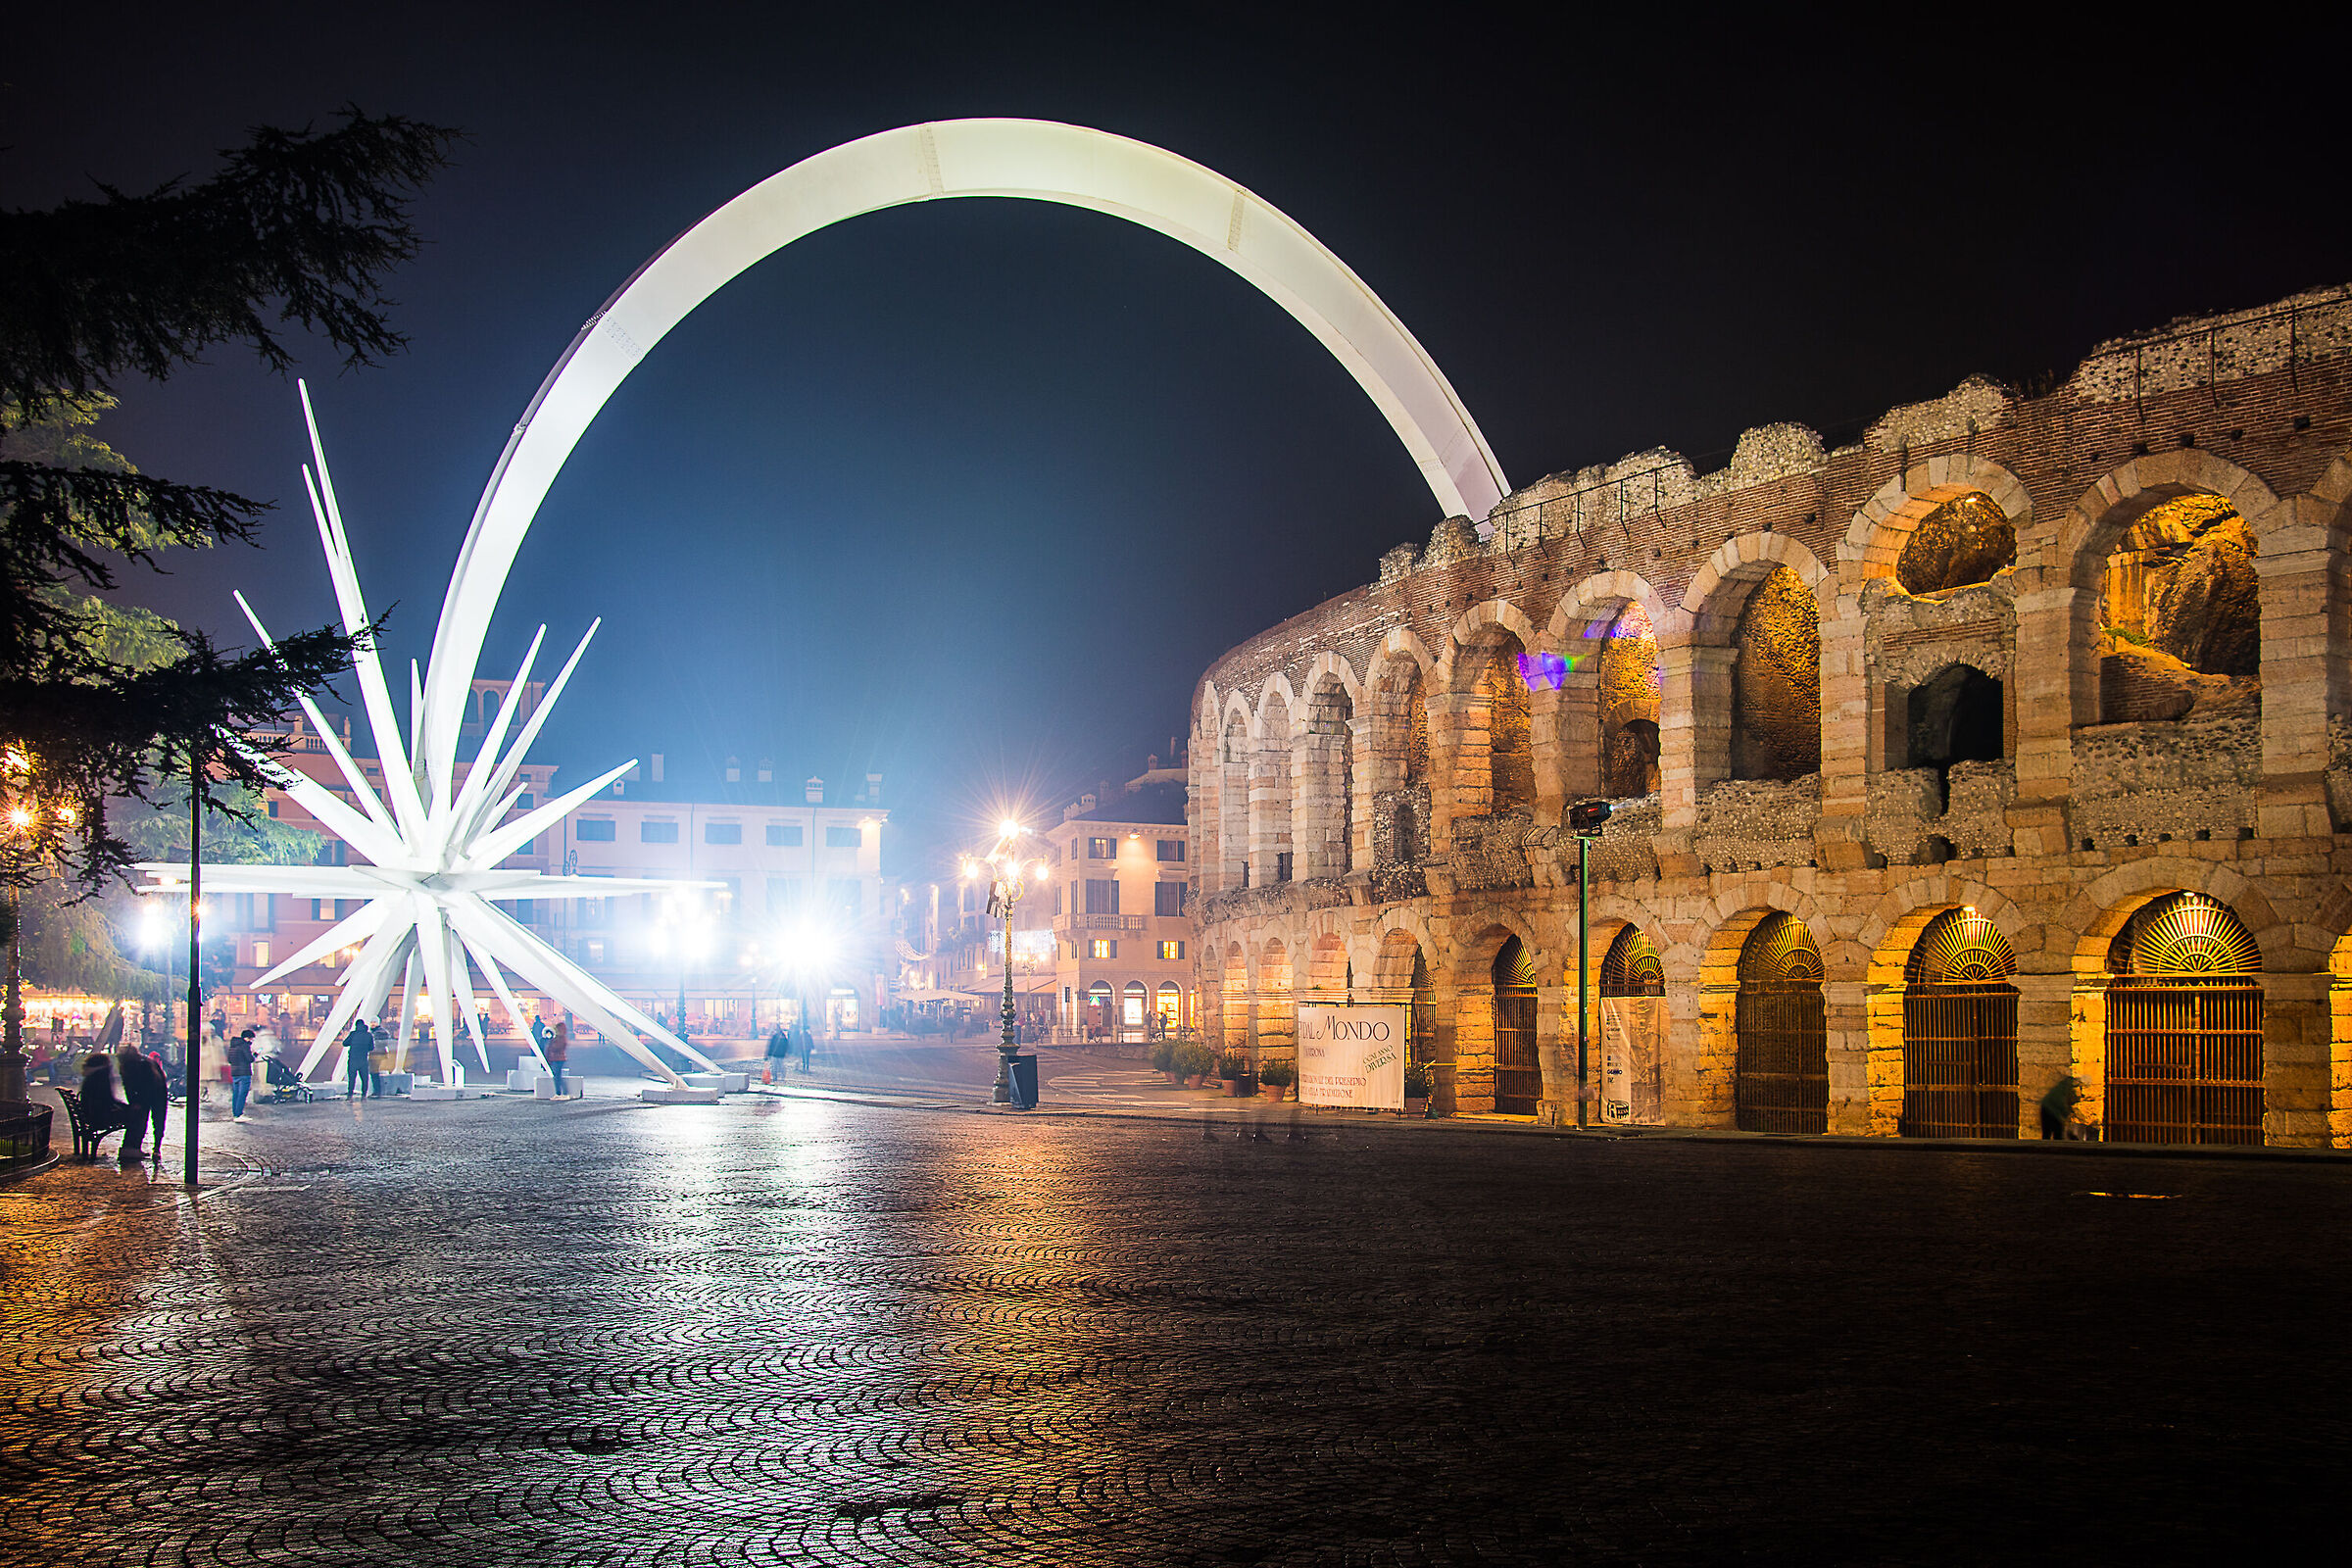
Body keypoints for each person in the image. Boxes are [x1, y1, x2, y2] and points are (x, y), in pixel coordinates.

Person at [118, 1043, 171, 1161]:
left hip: (151, 1095)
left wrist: (135, 1101)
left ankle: (136, 1147)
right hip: (158, 1094)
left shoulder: (134, 1065)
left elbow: (131, 1086)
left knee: (144, 1120)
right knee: (158, 1122)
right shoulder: (146, 1062)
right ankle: (156, 1148)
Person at [78, 1051, 135, 1161]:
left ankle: (130, 1148)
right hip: (98, 1118)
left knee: (131, 1112)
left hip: (91, 1115)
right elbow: (108, 1099)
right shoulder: (101, 1076)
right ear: (104, 1065)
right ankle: (130, 1147)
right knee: (136, 1115)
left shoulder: (91, 1076)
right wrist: (126, 1107)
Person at [225, 1029, 257, 1122]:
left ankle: (235, 1113)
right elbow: (249, 1059)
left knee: (236, 1093)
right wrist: (254, 1055)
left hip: (235, 1072)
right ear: (247, 1038)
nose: (251, 1041)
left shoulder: (233, 1046)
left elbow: (229, 1060)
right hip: (244, 1072)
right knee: (242, 1094)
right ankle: (239, 1115)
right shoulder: (244, 1046)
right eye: (251, 1039)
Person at [2038, 1074, 2082, 1140]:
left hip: (2046, 1109)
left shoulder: (2059, 1088)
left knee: (2047, 1132)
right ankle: (2056, 1146)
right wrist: (2065, 1113)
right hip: (2050, 1111)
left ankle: (2047, 1146)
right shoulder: (2062, 1091)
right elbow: (2060, 1103)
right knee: (2057, 1130)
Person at [344, 1017, 376, 1100]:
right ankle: (364, 1095)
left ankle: (350, 1095)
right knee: (364, 1078)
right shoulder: (369, 1035)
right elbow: (371, 1047)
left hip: (353, 1059)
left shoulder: (353, 1034)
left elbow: (345, 1043)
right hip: (363, 1059)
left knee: (352, 1078)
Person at [546, 1020, 569, 1096]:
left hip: (557, 1059)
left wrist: (551, 1043)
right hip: (557, 1059)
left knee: (557, 1077)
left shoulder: (560, 1038)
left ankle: (560, 1092)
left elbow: (556, 1047)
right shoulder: (560, 1038)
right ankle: (562, 1092)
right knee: (557, 1076)